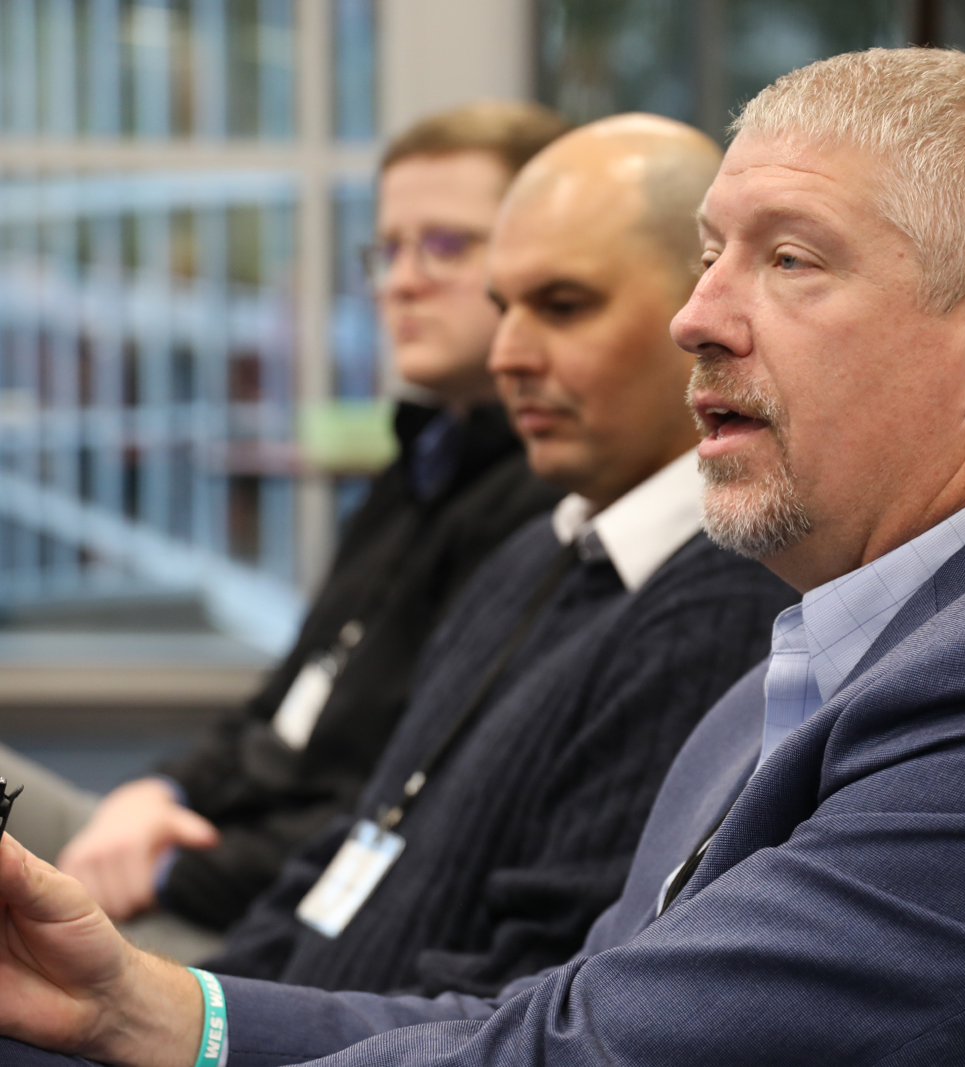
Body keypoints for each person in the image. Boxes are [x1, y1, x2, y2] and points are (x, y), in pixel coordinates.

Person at [11, 44, 965, 1065]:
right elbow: (557, 1008)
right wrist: (140, 1009)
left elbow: (600, 1048)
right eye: (707, 259)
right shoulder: (784, 669)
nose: (693, 318)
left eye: (788, 259)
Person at [194, 113, 793, 998]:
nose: (509, 354)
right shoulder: (532, 553)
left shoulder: (711, 606)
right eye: (503, 306)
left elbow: (535, 988)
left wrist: (198, 1023)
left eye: (562, 307)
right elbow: (351, 843)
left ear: (696, 312)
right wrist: (187, 1004)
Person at [0, 101, 570, 954]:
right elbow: (279, 703)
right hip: (189, 842)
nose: (403, 279)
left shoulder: (542, 508)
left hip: (253, 916)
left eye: (447, 245)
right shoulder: (419, 459)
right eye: (388, 249)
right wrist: (158, 793)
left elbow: (389, 819)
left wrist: (164, 864)